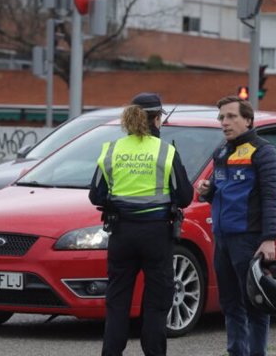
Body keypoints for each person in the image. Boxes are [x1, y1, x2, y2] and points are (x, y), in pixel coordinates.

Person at [89, 92, 193, 356]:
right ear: (157, 119)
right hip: (157, 234)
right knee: (157, 302)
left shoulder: (112, 150)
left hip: (122, 232)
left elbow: (96, 195)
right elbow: (184, 197)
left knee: (117, 300)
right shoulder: (165, 152)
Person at [196, 95, 276, 356]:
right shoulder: (222, 151)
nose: (225, 122)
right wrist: (207, 191)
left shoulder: (264, 152)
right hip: (222, 239)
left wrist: (269, 238)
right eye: (221, 117)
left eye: (231, 116)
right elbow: (220, 192)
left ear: (248, 119)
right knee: (230, 304)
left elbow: (271, 198)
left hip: (249, 239)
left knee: (255, 303)